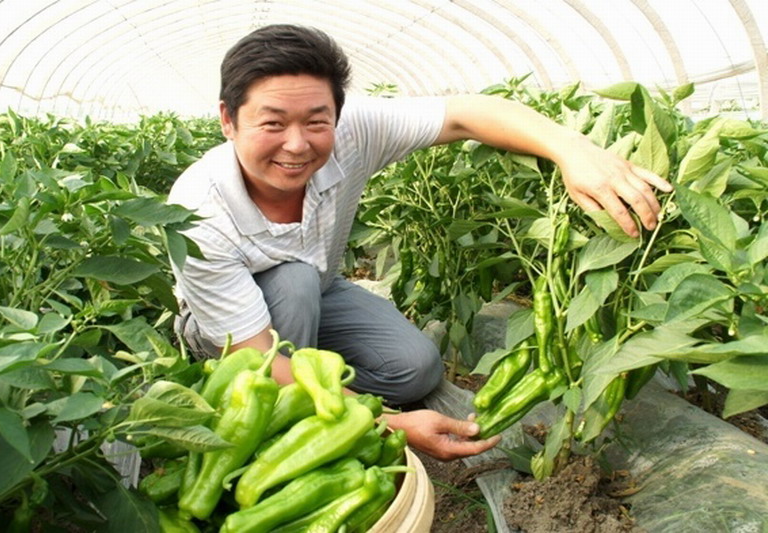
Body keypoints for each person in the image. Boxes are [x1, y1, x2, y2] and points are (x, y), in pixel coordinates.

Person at [168, 24, 672, 461]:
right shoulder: (198, 212)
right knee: (292, 286)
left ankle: (314, 379)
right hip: (237, 335)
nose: (297, 144)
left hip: (320, 288)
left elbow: (464, 115)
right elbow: (258, 355)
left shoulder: (353, 131)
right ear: (228, 120)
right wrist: (386, 424)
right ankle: (277, 415)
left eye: (316, 121)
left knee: (415, 369)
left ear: (336, 115)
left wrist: (572, 151)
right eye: (273, 122)